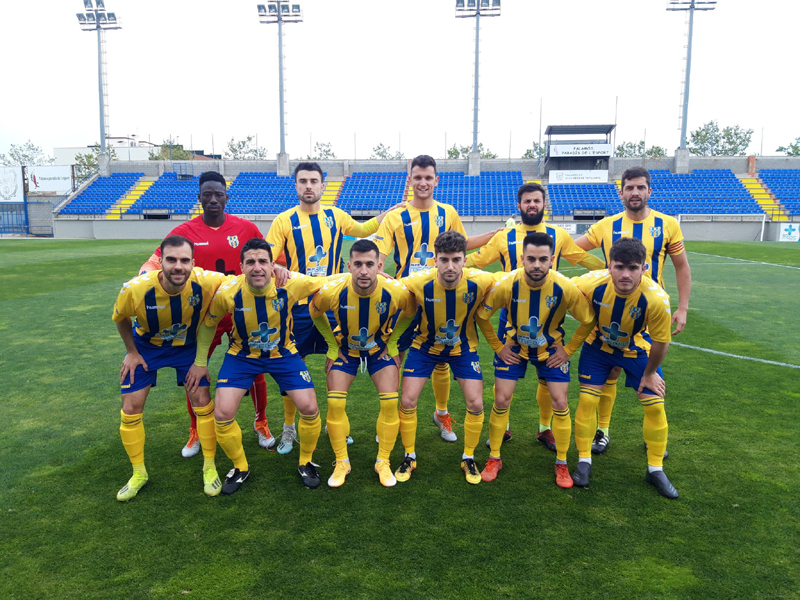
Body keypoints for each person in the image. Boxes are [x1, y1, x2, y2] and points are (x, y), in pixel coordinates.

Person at [139, 170, 286, 458]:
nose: (213, 199)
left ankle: (261, 423)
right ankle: (195, 430)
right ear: (200, 198)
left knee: (255, 367)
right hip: (200, 314)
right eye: (207, 194)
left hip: (241, 311)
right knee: (194, 370)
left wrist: (280, 267)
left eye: (218, 194)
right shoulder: (184, 232)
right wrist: (145, 274)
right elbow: (156, 259)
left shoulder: (245, 228)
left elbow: (272, 258)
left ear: (226, 197)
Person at [265, 161, 403, 454]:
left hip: (332, 305)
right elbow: (269, 257)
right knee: (292, 366)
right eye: (303, 181)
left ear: (323, 185)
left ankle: (334, 421)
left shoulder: (336, 215)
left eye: (314, 181)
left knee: (335, 359)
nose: (308, 186)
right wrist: (277, 267)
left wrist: (388, 214)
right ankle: (289, 428)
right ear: (296, 185)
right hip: (297, 308)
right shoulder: (283, 221)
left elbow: (364, 229)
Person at [186, 238, 334, 493]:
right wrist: (200, 362)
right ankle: (240, 467)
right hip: (241, 356)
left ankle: (306, 461)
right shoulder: (228, 292)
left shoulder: (291, 283)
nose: (257, 267)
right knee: (222, 414)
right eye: (250, 262)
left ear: (272, 265)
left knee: (309, 407)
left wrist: (369, 272)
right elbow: (209, 324)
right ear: (241, 266)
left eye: (263, 261)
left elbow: (331, 280)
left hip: (283, 354)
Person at [467, 182, 605, 450]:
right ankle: (503, 429)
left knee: (547, 376)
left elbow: (580, 258)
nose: (532, 205)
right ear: (519, 206)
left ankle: (545, 429)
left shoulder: (558, 234)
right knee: (505, 380)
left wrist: (609, 270)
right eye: (527, 201)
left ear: (544, 205)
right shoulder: (505, 236)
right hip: (511, 311)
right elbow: (477, 260)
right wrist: (443, 265)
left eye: (536, 201)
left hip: (549, 312)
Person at [374, 155, 498, 444]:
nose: (423, 182)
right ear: (410, 180)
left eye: (428, 177)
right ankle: (391, 418)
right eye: (417, 177)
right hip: (409, 299)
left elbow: (461, 246)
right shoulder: (395, 217)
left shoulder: (448, 212)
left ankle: (441, 413)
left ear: (436, 180)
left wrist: (493, 235)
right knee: (396, 356)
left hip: (442, 298)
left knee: (442, 358)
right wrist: (380, 274)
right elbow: (379, 256)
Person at [574, 167, 692, 455]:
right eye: (629, 188)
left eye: (640, 187)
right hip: (610, 311)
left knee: (652, 376)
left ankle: (654, 439)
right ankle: (603, 431)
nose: (635, 192)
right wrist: (600, 271)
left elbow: (681, 266)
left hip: (650, 314)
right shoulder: (605, 226)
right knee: (610, 372)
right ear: (622, 192)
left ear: (649, 191)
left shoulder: (667, 225)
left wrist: (683, 307)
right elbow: (571, 250)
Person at [112, 235, 229, 501]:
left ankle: (209, 467)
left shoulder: (207, 281)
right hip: (146, 346)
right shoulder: (136, 288)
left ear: (193, 263)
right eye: (172, 260)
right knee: (131, 407)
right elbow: (120, 318)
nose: (179, 266)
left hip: (185, 348)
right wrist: (131, 352)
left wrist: (200, 362)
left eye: (184, 260)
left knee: (202, 399)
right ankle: (138, 472)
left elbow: (241, 281)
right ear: (160, 262)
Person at [475, 232, 596, 488]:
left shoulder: (565, 287)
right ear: (522, 259)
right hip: (514, 347)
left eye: (543, 259)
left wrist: (569, 349)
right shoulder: (507, 284)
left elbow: (588, 319)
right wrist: (497, 347)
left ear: (552, 259)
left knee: (560, 401)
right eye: (531, 259)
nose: (537, 265)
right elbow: (482, 316)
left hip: (551, 350)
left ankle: (562, 463)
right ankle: (494, 457)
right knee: (501, 399)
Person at [570, 237, 678, 498]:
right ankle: (584, 461)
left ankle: (655, 469)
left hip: (637, 351)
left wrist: (650, 374)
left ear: (645, 268)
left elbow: (662, 342)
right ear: (609, 266)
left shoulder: (657, 299)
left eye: (633, 267)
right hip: (597, 348)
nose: (625, 274)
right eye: (619, 267)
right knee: (586, 400)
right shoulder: (589, 283)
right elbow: (558, 291)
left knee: (655, 404)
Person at [387, 231, 496, 485]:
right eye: (444, 259)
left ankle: (468, 457)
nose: (450, 266)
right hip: (424, 347)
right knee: (408, 399)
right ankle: (409, 455)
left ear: (464, 260)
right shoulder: (418, 282)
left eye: (456, 259)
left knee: (476, 403)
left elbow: (510, 281)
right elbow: (389, 286)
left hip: (463, 349)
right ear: (434, 259)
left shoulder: (481, 281)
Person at [308, 239, 418, 487]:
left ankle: (383, 461)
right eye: (358, 264)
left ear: (380, 265)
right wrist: (332, 345)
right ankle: (341, 462)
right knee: (335, 404)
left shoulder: (395, 290)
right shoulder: (333, 290)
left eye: (370, 264)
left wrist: (394, 343)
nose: (364, 270)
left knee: (390, 404)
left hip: (379, 350)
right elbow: (314, 311)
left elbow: (410, 311)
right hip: (346, 350)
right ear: (349, 265)